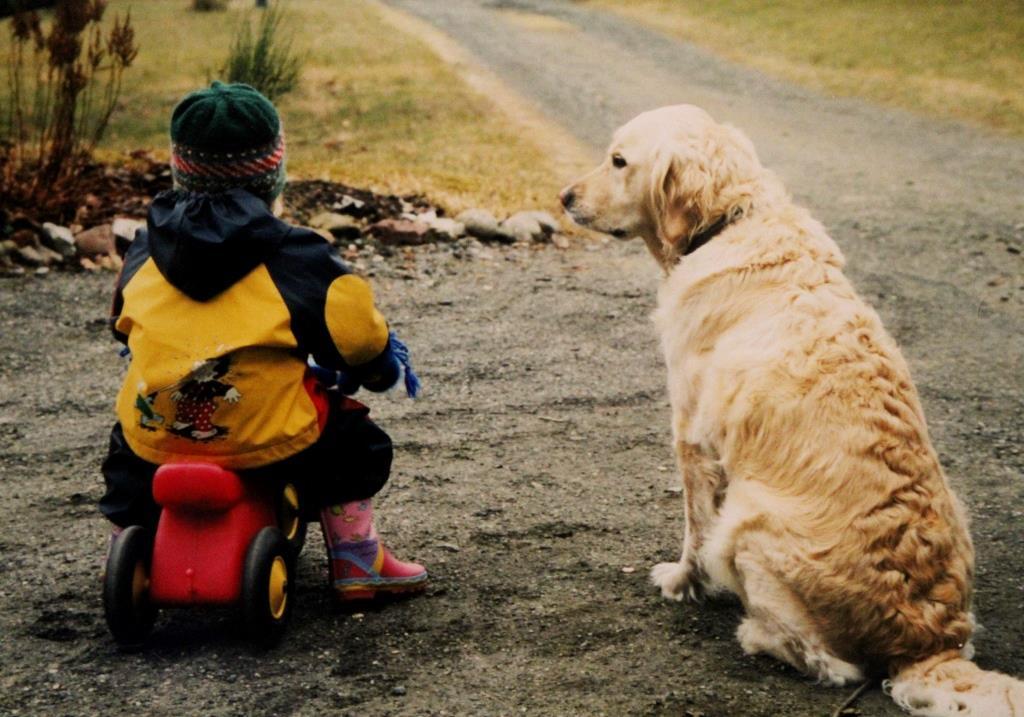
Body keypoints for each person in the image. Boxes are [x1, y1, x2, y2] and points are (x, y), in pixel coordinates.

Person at [99, 81, 427, 602]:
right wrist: (382, 366)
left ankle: (126, 550)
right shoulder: (299, 258)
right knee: (354, 442)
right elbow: (357, 339)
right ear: (274, 173)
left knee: (125, 460)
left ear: (179, 168)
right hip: (268, 440)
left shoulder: (143, 251)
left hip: (160, 440)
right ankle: (358, 561)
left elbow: (122, 323)